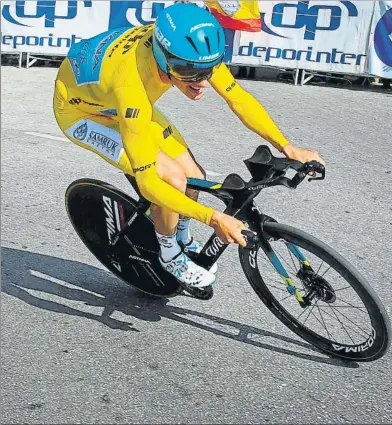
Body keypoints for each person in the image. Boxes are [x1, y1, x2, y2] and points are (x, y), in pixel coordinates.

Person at [53, 3, 325, 289]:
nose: (201, 82)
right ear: (162, 56)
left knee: (193, 174)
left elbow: (239, 100)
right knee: (170, 179)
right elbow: (147, 184)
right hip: (84, 113)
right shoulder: (132, 88)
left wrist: (287, 147)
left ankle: (180, 234)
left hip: (113, 95)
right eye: (188, 73)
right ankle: (170, 254)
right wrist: (211, 217)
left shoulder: (193, 57)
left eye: (209, 70)